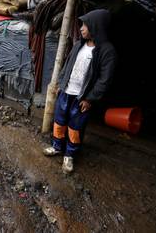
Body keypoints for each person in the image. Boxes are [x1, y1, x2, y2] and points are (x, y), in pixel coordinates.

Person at [43, 9, 117, 173]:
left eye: (85, 25)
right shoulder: (78, 45)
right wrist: (60, 86)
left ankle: (70, 155)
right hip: (66, 92)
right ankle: (57, 146)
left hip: (81, 97)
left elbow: (104, 80)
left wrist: (90, 99)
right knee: (59, 121)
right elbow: (67, 65)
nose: (82, 28)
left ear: (96, 27)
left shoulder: (106, 51)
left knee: (75, 127)